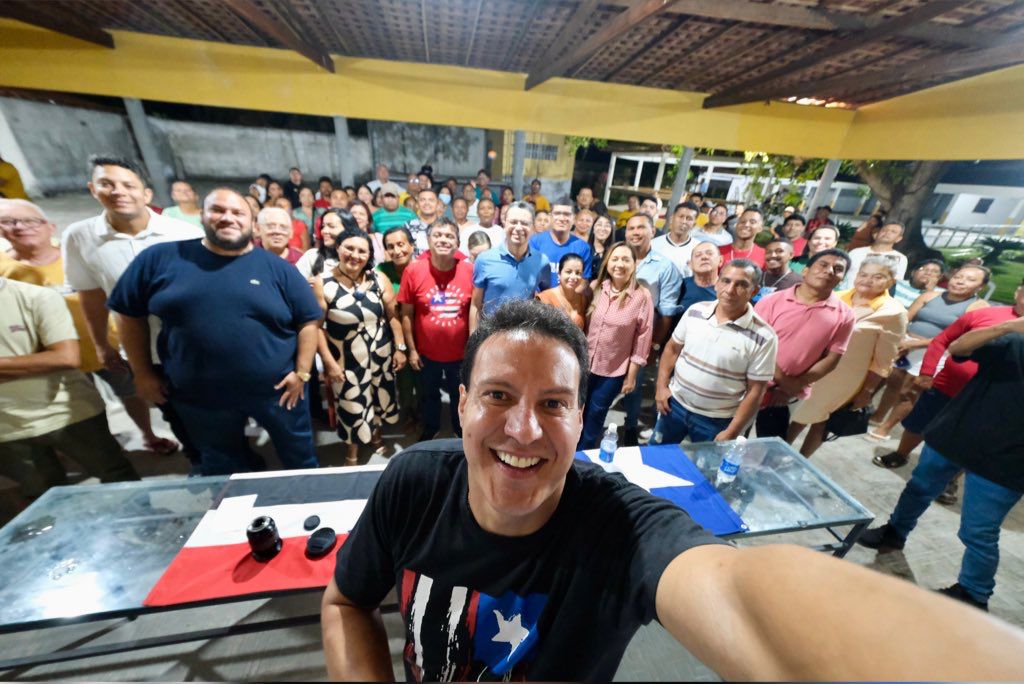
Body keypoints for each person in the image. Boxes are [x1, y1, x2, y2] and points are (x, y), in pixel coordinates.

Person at [322, 297, 1024, 681]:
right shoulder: (415, 482)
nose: (524, 430)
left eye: (554, 404)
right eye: (498, 395)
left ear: (582, 418)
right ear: (462, 405)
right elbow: (347, 600)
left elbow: (739, 599)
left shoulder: (623, 529)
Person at [108, 188, 323, 476]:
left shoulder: (277, 268)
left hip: (277, 391)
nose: (228, 218)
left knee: (299, 456)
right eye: (218, 210)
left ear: (251, 224)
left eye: (238, 213)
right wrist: (143, 373)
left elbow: (309, 319)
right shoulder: (161, 259)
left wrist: (302, 373)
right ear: (202, 215)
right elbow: (128, 314)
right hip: (199, 394)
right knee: (222, 463)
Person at [857, 315, 1024, 612]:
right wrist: (1006, 326)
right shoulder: (1013, 339)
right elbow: (959, 348)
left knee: (978, 530)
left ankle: (974, 594)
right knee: (919, 488)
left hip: (1008, 458)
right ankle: (894, 532)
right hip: (957, 432)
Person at [1, 198, 179, 455]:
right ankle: (102, 445)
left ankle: (147, 434)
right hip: (52, 355)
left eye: (30, 221)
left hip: (106, 343)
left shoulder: (77, 254)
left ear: (50, 227)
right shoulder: (4, 270)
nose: (20, 227)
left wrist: (106, 344)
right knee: (82, 406)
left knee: (130, 392)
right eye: (9, 222)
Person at [61, 155, 204, 463]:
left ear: (146, 193)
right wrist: (102, 345)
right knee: (178, 417)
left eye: (128, 185)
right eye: (107, 184)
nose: (118, 191)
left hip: (194, 349)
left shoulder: (184, 234)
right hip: (146, 354)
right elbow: (91, 295)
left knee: (216, 416)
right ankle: (202, 466)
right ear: (92, 189)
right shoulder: (80, 236)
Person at [871, 280, 1024, 503]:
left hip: (988, 399)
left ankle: (951, 479)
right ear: (1017, 292)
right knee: (918, 423)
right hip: (946, 384)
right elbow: (944, 340)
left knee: (967, 440)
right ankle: (901, 453)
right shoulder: (986, 315)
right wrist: (927, 372)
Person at [0, 276, 139, 498]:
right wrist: (32, 363)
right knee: (42, 498)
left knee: (119, 480)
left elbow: (66, 357)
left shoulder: (35, 296)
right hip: (7, 428)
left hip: (70, 413)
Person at [788, 257, 908, 457]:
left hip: (844, 378)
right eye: (863, 274)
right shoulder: (835, 296)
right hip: (814, 367)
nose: (868, 280)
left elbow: (883, 360)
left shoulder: (894, 312)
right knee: (797, 414)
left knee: (822, 419)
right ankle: (778, 454)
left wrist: (867, 391)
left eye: (878, 277)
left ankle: (801, 460)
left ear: (891, 281)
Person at [651, 259, 777, 446]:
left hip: (716, 421)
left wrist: (733, 430)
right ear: (717, 283)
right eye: (726, 281)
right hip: (674, 405)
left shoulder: (764, 336)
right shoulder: (695, 311)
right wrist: (661, 387)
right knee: (657, 455)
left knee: (705, 464)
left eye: (741, 284)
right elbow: (672, 348)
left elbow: (756, 390)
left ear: (754, 291)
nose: (730, 290)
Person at [868, 264, 990, 447]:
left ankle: (885, 428)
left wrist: (916, 344)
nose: (960, 281)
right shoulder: (930, 296)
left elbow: (959, 338)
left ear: (980, 286)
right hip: (905, 344)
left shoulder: (978, 307)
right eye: (958, 276)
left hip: (935, 352)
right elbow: (905, 319)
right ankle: (878, 416)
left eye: (970, 280)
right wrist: (903, 340)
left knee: (909, 392)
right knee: (892, 382)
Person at [317, 226, 405, 465]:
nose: (355, 255)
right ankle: (352, 452)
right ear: (338, 248)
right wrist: (329, 363)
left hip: (380, 353)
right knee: (351, 405)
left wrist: (400, 348)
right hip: (345, 358)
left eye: (362, 251)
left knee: (377, 397)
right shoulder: (323, 282)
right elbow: (316, 328)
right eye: (349, 248)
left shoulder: (378, 278)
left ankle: (375, 436)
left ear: (369, 255)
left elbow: (393, 315)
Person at [753, 249, 855, 439]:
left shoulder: (845, 315)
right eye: (823, 265)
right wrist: (784, 381)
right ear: (806, 271)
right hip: (751, 383)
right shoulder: (772, 300)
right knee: (731, 436)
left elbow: (832, 359)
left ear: (842, 278)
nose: (829, 271)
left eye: (838, 269)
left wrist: (792, 386)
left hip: (788, 395)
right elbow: (753, 343)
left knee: (768, 446)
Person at [399, 218, 474, 442]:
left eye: (449, 236)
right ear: (428, 240)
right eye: (438, 235)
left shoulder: (470, 271)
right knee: (428, 395)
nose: (443, 240)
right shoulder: (413, 270)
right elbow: (406, 314)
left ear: (457, 243)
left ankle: (460, 431)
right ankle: (430, 429)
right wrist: (411, 350)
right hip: (426, 353)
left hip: (461, 354)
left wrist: (474, 349)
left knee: (460, 395)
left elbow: (476, 311)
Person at [579, 242, 653, 449]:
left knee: (595, 413)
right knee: (577, 409)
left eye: (625, 259)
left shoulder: (641, 296)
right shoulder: (596, 287)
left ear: (634, 264)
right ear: (607, 263)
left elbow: (643, 338)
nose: (619, 264)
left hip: (612, 369)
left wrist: (631, 376)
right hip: (583, 364)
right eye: (615, 259)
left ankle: (582, 455)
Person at [620, 212, 684, 446]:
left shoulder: (664, 266)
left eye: (641, 228)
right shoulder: (619, 257)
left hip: (641, 336)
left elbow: (667, 311)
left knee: (634, 385)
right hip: (613, 334)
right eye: (631, 228)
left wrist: (655, 344)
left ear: (652, 232)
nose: (635, 232)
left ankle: (630, 426)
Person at [470, 202, 551, 332]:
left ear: (532, 228)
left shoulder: (542, 262)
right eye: (513, 222)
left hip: (524, 336)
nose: (518, 228)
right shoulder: (484, 260)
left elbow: (549, 297)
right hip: (490, 336)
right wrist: (473, 340)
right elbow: (475, 305)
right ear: (504, 224)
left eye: (524, 223)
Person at [529, 197, 592, 287]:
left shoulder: (583, 248)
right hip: (540, 295)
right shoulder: (535, 242)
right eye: (557, 213)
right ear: (550, 217)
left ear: (574, 219)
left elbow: (584, 281)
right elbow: (530, 276)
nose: (562, 218)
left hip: (570, 295)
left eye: (566, 214)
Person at [839, 220, 908, 290]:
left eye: (893, 232)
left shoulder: (901, 258)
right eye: (884, 230)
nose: (887, 233)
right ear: (876, 234)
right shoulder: (855, 252)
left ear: (898, 239)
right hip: (845, 293)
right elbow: (841, 273)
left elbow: (895, 282)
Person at [537, 253, 589, 328]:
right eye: (568, 272)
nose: (573, 277)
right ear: (559, 274)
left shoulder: (583, 300)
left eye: (578, 273)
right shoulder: (544, 299)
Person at [297, 208, 352, 279]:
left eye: (331, 226)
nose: (324, 231)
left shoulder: (358, 258)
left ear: (348, 229)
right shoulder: (312, 256)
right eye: (323, 227)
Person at [650, 201, 699, 278]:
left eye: (689, 218)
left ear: (694, 225)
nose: (684, 221)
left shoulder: (699, 249)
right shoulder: (653, 245)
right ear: (671, 219)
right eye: (681, 216)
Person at [678, 242, 722, 314]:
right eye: (698, 255)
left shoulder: (728, 288)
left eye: (709, 253)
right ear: (690, 264)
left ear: (721, 260)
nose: (704, 257)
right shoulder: (679, 286)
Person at [401, 185, 442, 258]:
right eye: (423, 200)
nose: (427, 203)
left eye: (431, 200)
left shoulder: (446, 226)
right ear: (417, 204)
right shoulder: (408, 226)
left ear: (437, 204)